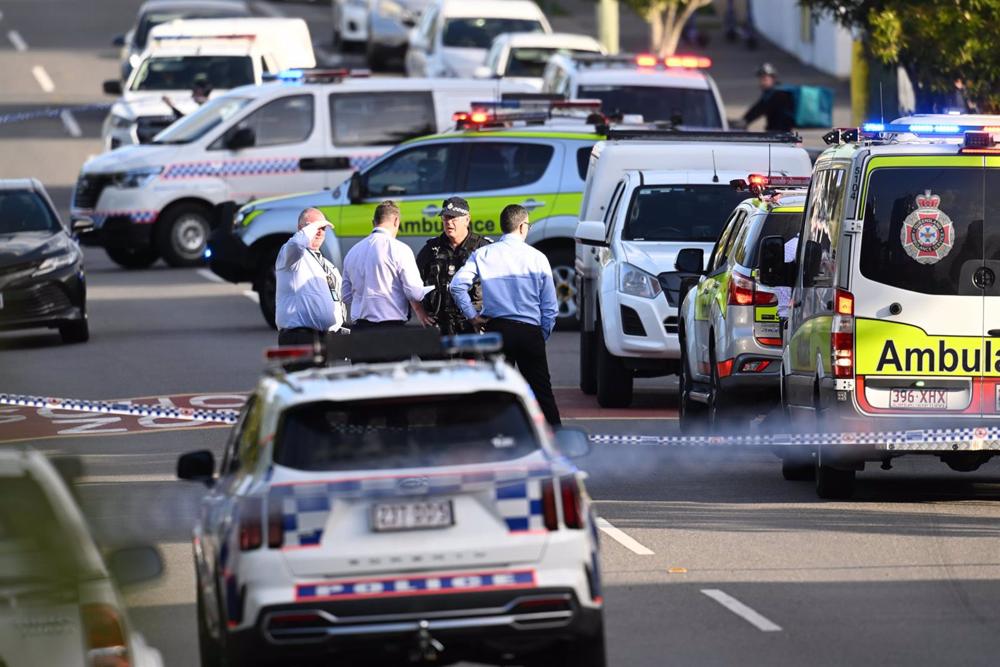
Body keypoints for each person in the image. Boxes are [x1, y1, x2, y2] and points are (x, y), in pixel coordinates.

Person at [449, 204, 561, 426]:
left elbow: (456, 286)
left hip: (497, 330)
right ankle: (559, 441)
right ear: (522, 227)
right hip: (530, 331)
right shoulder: (538, 257)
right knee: (542, 394)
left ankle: (495, 442)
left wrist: (472, 315)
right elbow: (550, 307)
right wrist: (541, 335)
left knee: (495, 395)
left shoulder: (483, 254)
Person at [342, 200, 434, 330]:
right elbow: (415, 293)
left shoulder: (352, 252)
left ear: (373, 223)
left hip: (360, 329)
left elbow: (346, 296)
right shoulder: (400, 249)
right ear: (396, 221)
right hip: (392, 329)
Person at [416, 196, 492, 335]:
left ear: (467, 219)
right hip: (441, 326)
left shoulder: (483, 248)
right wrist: (420, 312)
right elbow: (411, 282)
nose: (449, 223)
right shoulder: (432, 249)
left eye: (454, 218)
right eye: (445, 218)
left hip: (474, 325)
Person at [274, 208, 346, 346]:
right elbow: (296, 244)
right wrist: (313, 227)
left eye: (323, 228)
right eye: (314, 227)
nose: (319, 231)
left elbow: (340, 300)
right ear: (301, 229)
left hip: (325, 338)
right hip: (299, 337)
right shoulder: (291, 256)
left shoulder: (328, 265)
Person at [742, 63, 795, 132]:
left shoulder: (776, 94)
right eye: (760, 79)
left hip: (779, 133)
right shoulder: (776, 91)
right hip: (779, 132)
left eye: (765, 79)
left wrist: (744, 121)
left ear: (773, 79)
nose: (762, 82)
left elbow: (757, 110)